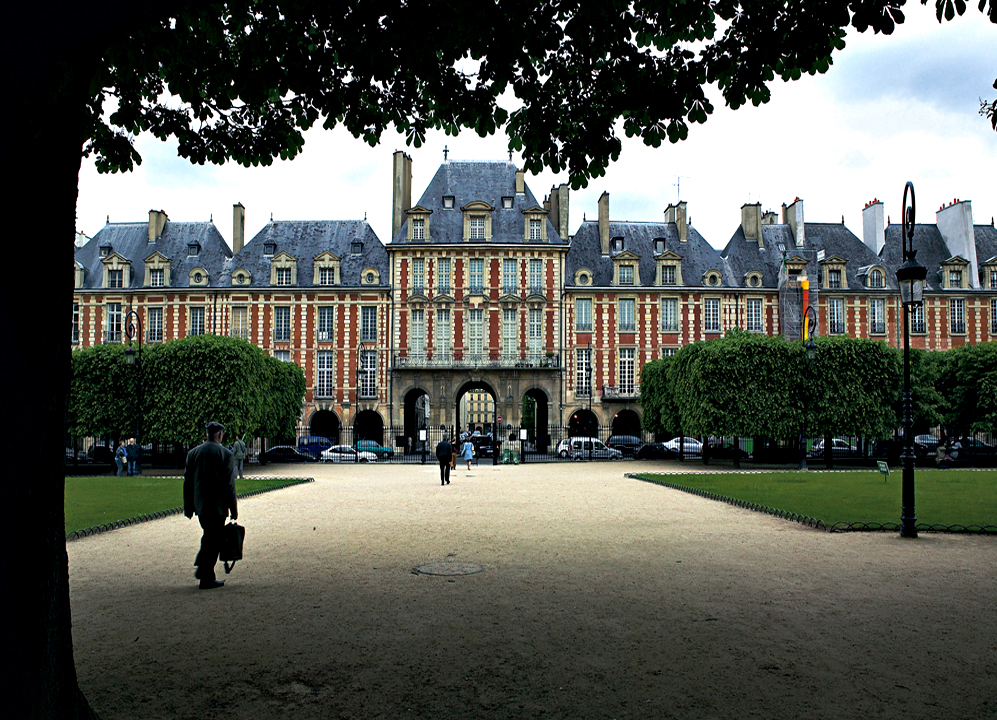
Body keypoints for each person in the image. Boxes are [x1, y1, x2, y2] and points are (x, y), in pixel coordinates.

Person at [183, 421, 237, 589]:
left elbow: (188, 483)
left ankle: (206, 574)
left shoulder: (193, 453)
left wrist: (188, 506)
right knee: (214, 538)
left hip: (200, 504)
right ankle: (204, 571)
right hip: (218, 505)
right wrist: (233, 508)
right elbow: (229, 485)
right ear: (220, 434)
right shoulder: (225, 454)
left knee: (210, 535)